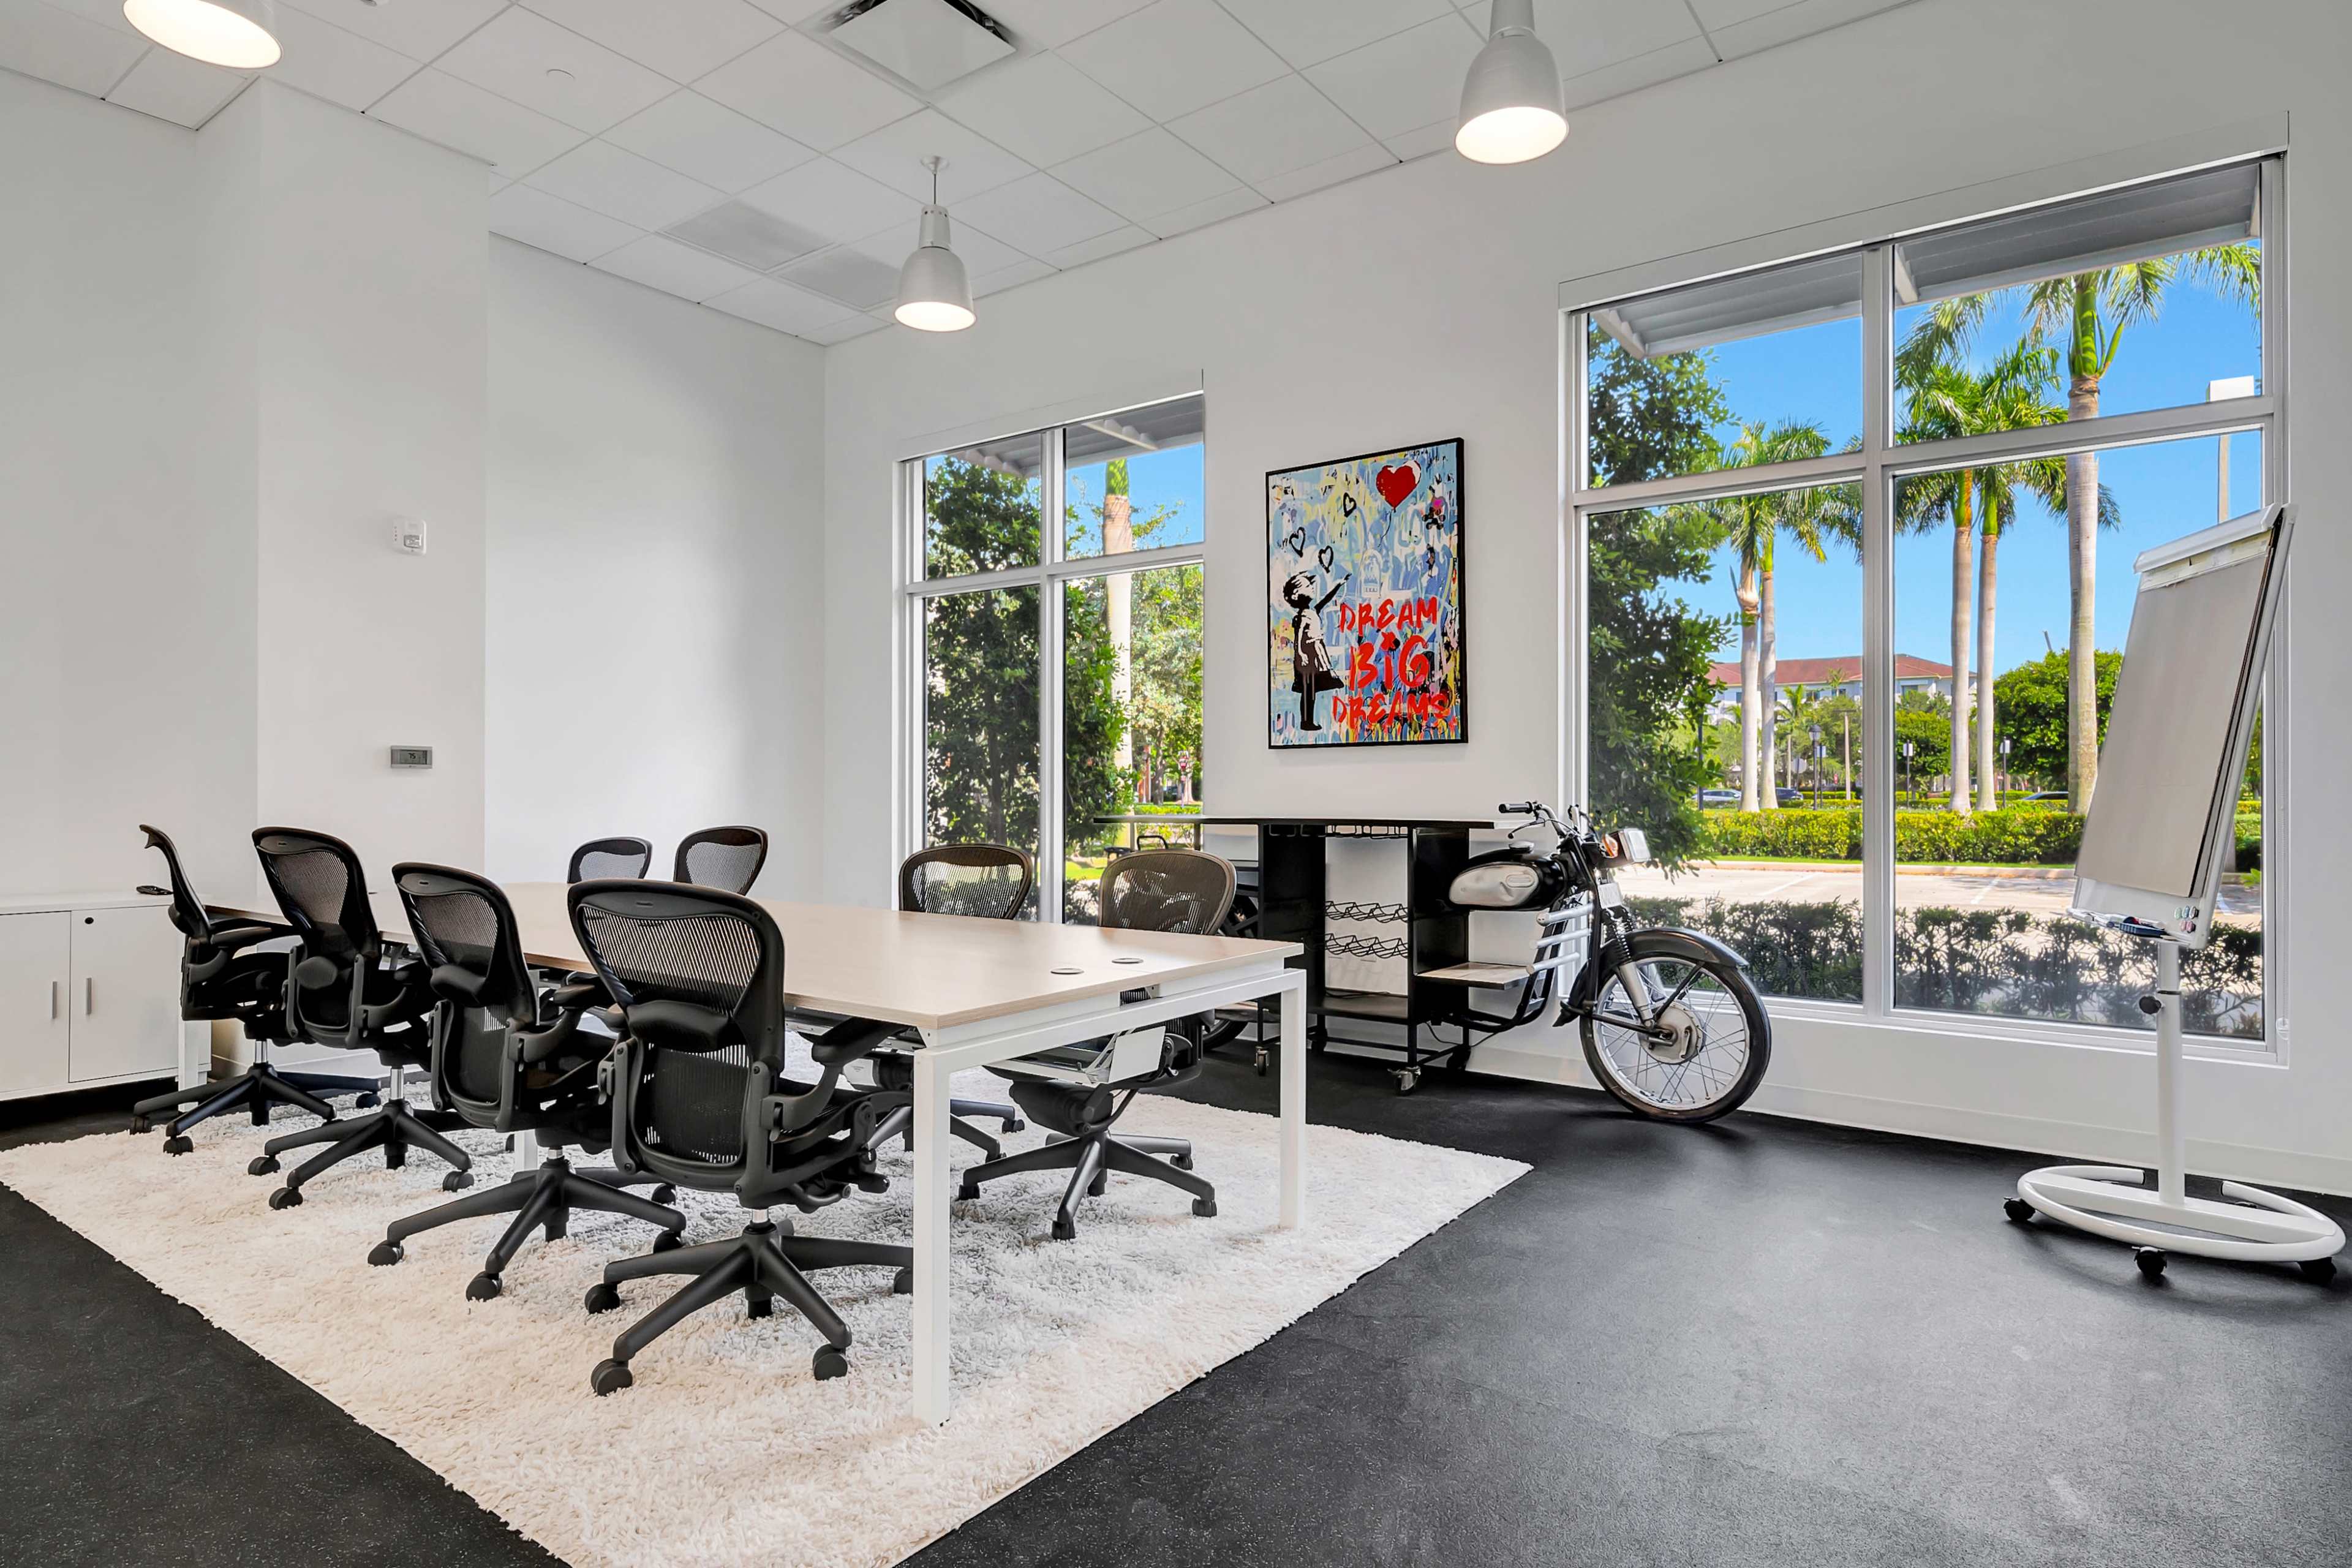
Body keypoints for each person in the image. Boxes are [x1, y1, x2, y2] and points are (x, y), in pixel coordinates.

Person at [1283, 570, 1346, 731]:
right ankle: (1306, 722)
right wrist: (1301, 654)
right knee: (1308, 690)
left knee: (1311, 689)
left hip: (1316, 652)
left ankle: (1308, 721)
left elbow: (1325, 601)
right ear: (1297, 594)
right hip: (1308, 655)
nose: (1312, 588)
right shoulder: (1303, 616)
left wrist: (1338, 585)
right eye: (1308, 586)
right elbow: (1298, 639)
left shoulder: (1312, 611)